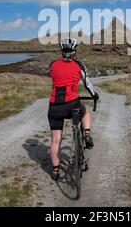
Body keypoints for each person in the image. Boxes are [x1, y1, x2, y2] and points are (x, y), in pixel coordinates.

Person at [48, 38, 99, 181]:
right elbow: (87, 83)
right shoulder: (78, 65)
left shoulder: (52, 64)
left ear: (61, 51)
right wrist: (94, 95)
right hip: (72, 103)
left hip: (55, 106)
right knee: (85, 111)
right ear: (74, 51)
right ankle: (87, 134)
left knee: (55, 140)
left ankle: (56, 171)